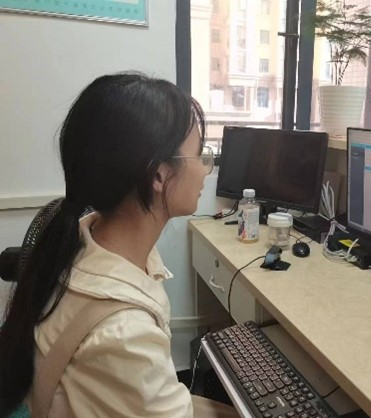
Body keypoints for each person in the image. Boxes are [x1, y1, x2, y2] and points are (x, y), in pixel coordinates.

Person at [0, 73, 238, 417]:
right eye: (199, 155)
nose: (205, 169)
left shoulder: (85, 240)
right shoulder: (124, 332)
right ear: (158, 175)